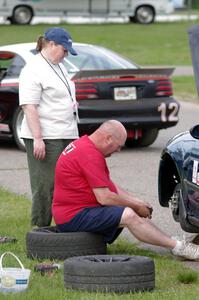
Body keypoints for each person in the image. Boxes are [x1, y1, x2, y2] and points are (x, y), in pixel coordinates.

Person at [52, 120, 199, 260]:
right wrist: (134, 206)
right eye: (118, 146)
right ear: (108, 138)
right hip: (72, 217)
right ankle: (179, 248)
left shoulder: (85, 145)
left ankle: (172, 241)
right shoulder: (89, 155)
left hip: (77, 210)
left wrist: (137, 201)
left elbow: (109, 186)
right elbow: (104, 197)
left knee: (129, 208)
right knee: (128, 215)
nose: (119, 150)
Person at [19, 27, 79, 227]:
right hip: (46, 136)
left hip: (66, 132)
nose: (66, 54)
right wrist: (38, 138)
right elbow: (29, 106)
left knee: (69, 183)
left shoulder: (59, 65)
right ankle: (40, 228)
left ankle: (67, 225)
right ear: (51, 44)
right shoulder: (33, 69)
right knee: (45, 185)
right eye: (64, 49)